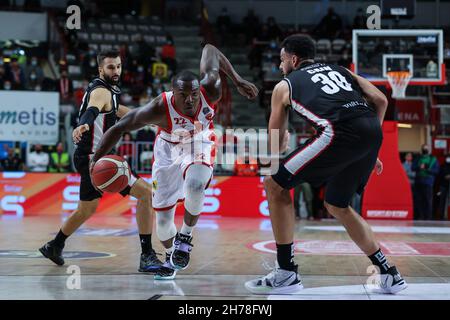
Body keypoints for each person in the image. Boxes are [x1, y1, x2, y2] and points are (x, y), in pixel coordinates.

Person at [245, 34, 407, 295]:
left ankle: (285, 272)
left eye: (282, 59)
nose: (279, 66)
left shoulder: (284, 85)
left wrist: (279, 149)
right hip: (369, 132)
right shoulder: (342, 70)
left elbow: (275, 142)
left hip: (339, 133)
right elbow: (381, 100)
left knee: (274, 184)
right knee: (337, 205)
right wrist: (368, 146)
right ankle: (388, 273)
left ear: (293, 59)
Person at [91, 44, 258, 280]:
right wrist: (96, 161)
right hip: (167, 150)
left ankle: (185, 238)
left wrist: (238, 80)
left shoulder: (211, 88)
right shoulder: (158, 108)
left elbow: (210, 49)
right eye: (183, 95)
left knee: (195, 184)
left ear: (200, 90)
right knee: (162, 221)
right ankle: (172, 256)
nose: (189, 100)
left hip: (199, 140)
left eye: (193, 94)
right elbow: (119, 128)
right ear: (173, 93)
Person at [39, 50, 162, 273]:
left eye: (118, 66)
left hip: (90, 156)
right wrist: (83, 124)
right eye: (110, 67)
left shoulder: (110, 92)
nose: (115, 71)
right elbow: (92, 110)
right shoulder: (100, 91)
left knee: (86, 208)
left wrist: (148, 118)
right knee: (146, 194)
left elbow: (118, 111)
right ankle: (147, 256)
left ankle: (54, 246)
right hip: (96, 157)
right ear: (100, 69)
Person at [412, 144, 439, 220]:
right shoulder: (418, 158)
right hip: (418, 182)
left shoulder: (433, 159)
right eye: (424, 148)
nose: (425, 150)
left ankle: (428, 217)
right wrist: (419, 167)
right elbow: (413, 167)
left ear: (429, 150)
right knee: (418, 200)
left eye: (426, 149)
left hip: (428, 182)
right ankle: (420, 216)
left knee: (428, 200)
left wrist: (427, 169)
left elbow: (436, 171)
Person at [437, 155, 450, 220]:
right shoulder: (442, 165)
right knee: (442, 201)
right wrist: (445, 176)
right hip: (443, 185)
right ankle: (441, 216)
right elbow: (440, 174)